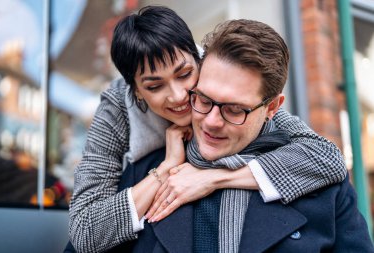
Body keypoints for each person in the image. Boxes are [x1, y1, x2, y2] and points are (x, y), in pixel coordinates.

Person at [68, 6, 347, 253]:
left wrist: (212, 178)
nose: (178, 96)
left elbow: (326, 157)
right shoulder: (118, 107)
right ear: (136, 92)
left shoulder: (225, 79)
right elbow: (84, 232)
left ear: (199, 61)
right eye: (154, 86)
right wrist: (165, 170)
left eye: (184, 74)